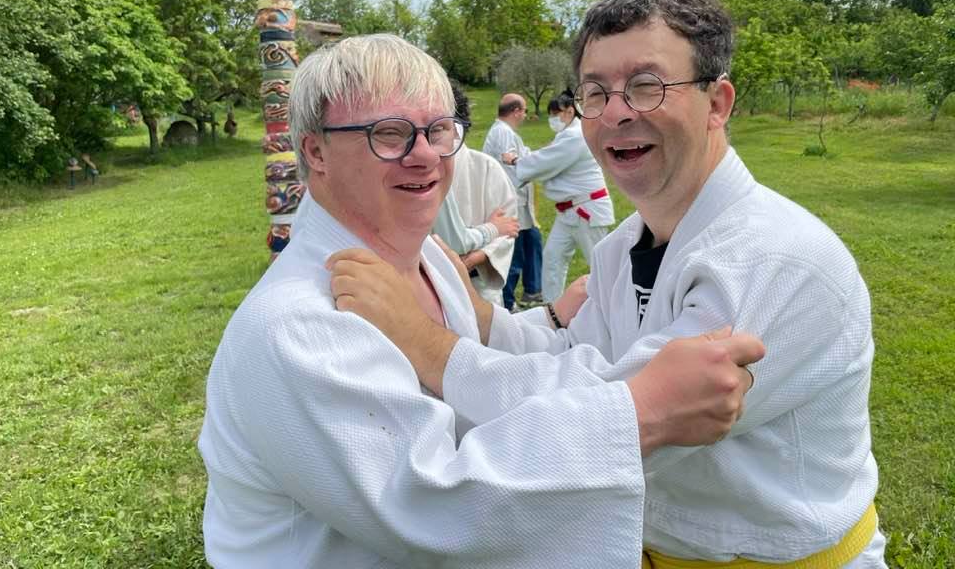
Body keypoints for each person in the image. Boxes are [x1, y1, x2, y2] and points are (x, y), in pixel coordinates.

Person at [331, 0, 886, 568]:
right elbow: (574, 348)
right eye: (595, 92)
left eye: (647, 86)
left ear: (718, 103)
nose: (617, 112)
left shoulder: (773, 261)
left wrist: (426, 345)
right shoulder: (625, 246)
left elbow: (617, 413)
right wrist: (479, 314)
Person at [199, 32, 764, 568]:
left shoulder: (433, 261)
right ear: (315, 152)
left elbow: (483, 377)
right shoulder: (297, 326)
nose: (424, 156)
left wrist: (544, 321)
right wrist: (642, 413)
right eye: (389, 134)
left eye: (439, 130)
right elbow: (434, 508)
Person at [501, 91, 614, 301]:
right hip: (569, 211)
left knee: (601, 264)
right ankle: (553, 308)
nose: (554, 118)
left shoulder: (575, 136)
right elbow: (548, 159)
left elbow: (545, 162)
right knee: (553, 258)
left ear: (571, 111)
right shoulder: (568, 135)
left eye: (557, 113)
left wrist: (516, 161)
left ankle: (615, 305)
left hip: (586, 209)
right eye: (552, 113)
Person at [432, 86, 518, 306]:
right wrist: (492, 229)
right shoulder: (417, 171)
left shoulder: (486, 168)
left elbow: (508, 225)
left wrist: (473, 260)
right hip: (425, 285)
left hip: (479, 287)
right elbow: (457, 239)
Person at [482, 94, 543, 309]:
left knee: (530, 241)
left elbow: (523, 157)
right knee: (513, 253)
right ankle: (507, 302)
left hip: (516, 199)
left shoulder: (504, 132)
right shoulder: (503, 133)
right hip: (510, 200)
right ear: (516, 110)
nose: (525, 115)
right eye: (524, 110)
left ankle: (530, 291)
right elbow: (514, 165)